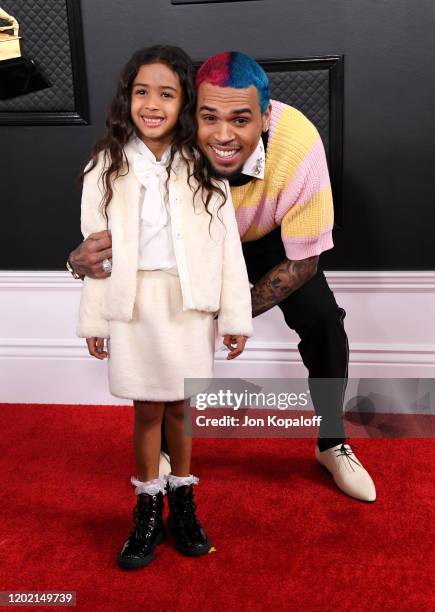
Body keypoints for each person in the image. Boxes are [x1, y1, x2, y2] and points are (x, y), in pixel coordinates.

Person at [69, 51, 376, 503]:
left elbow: (305, 263)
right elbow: (117, 222)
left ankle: (332, 442)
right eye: (209, 117)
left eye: (241, 119)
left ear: (265, 117)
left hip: (269, 238)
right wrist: (77, 262)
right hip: (193, 245)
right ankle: (170, 454)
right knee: (173, 331)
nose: (223, 134)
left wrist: (224, 313)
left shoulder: (298, 144)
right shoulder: (171, 134)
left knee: (323, 318)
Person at [76, 45, 252, 570]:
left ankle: (184, 502)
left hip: (187, 305)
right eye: (141, 92)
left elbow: (227, 249)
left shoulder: (204, 166)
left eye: (167, 94)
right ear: (127, 99)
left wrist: (234, 317)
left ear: (185, 103)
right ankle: (148, 506)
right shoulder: (105, 164)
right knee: (147, 408)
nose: (152, 104)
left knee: (182, 406)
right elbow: (95, 250)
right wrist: (94, 317)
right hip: (133, 305)